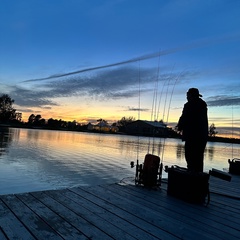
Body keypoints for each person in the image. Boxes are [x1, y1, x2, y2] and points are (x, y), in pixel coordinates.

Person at [177, 88, 208, 172]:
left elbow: (184, 118)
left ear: (191, 95)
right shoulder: (203, 104)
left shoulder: (189, 105)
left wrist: (179, 127)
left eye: (187, 95)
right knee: (198, 158)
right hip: (202, 137)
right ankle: (198, 178)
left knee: (190, 157)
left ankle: (192, 177)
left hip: (192, 137)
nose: (187, 97)